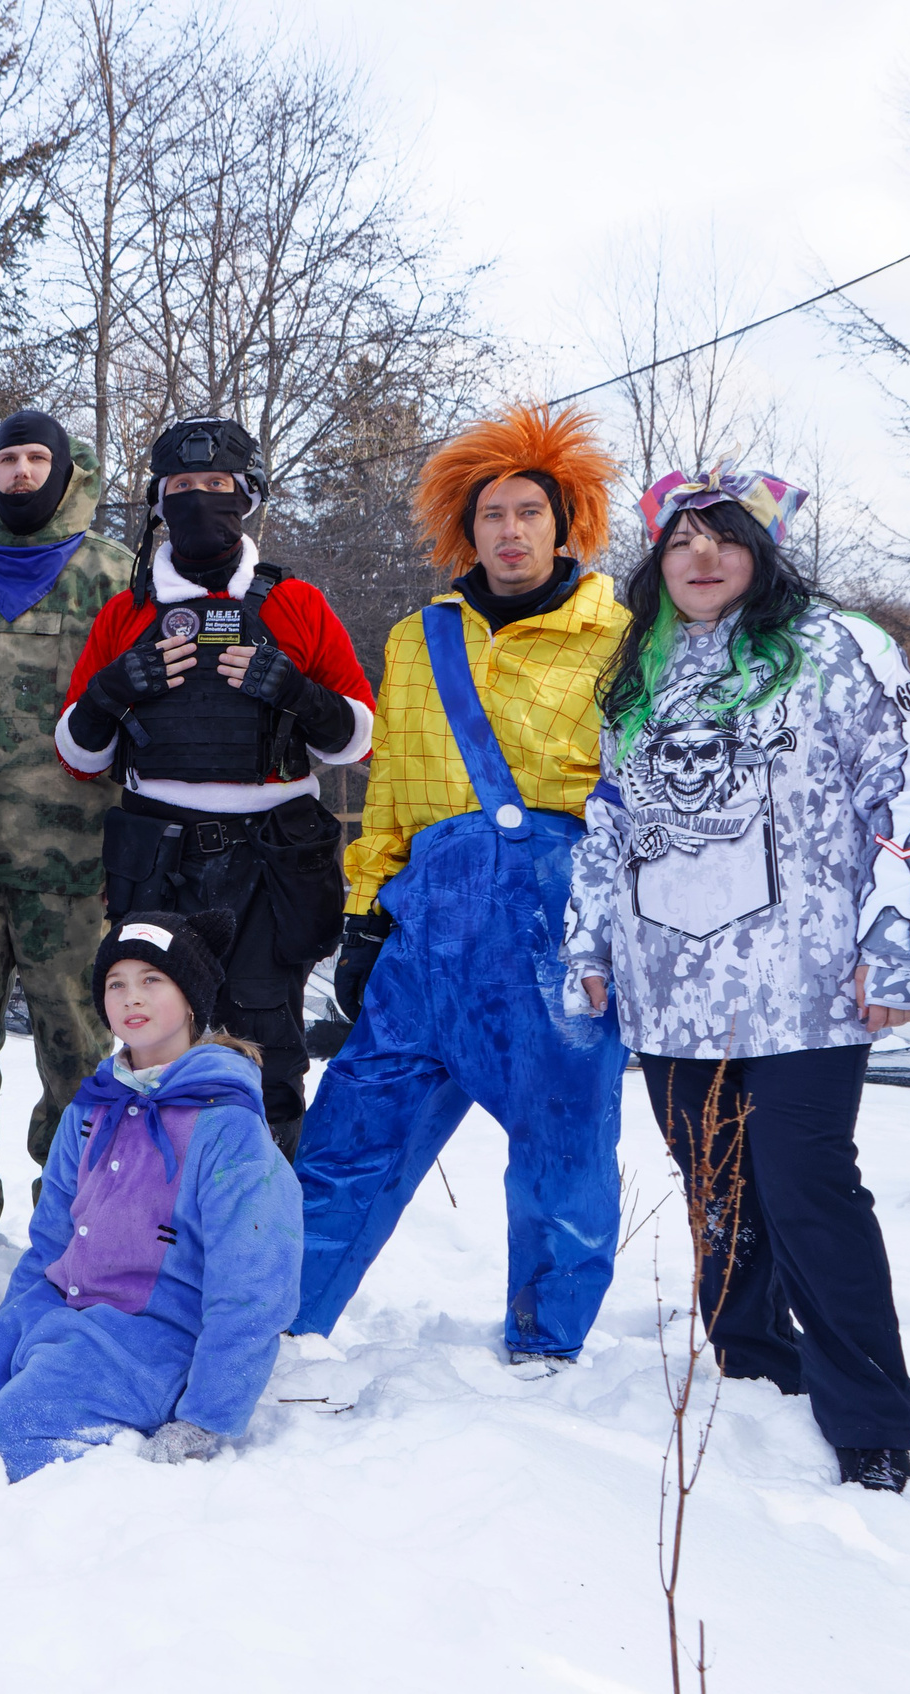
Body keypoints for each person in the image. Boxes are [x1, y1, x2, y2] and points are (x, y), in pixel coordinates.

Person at [564, 466, 910, 1492]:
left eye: (725, 536)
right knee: (715, 1187)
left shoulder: (838, 648)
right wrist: (588, 945)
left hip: (807, 982)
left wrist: (896, 945)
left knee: (804, 1183)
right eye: (681, 539)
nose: (701, 556)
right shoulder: (638, 670)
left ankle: (870, 1418)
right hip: (672, 985)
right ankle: (751, 1369)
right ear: (656, 557)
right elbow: (610, 818)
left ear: (762, 549)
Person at [290, 404, 630, 1372]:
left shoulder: (618, 636)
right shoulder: (414, 638)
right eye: (492, 514)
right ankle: (279, 1326)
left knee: (562, 1146)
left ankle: (544, 1346)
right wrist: (363, 921)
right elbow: (389, 782)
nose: (511, 530)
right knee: (348, 1135)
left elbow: (643, 791)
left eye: (530, 510)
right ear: (463, 527)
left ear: (567, 524)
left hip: (553, 929)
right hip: (424, 928)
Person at [54, 416, 373, 1161]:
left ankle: (261, 1227)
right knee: (156, 1044)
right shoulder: (126, 613)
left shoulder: (297, 605)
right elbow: (77, 755)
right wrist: (110, 692)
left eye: (217, 487)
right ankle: (151, 1221)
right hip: (158, 861)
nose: (199, 500)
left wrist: (295, 692)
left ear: (248, 497)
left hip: (270, 864)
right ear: (158, 503)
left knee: (266, 1053)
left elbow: (357, 737)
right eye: (182, 488)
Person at [0, 910, 300, 1480]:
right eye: (117, 984)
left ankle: (117, 1459)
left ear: (191, 1000)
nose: (131, 998)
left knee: (13, 1441)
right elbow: (50, 1242)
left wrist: (207, 1417)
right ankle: (50, 1376)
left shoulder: (225, 1125)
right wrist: (12, 1332)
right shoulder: (93, 1107)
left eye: (152, 980)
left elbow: (257, 1284)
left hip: (152, 1332)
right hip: (62, 1307)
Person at [0, 409, 130, 1259]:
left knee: (77, 1046)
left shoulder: (113, 574)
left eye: (36, 457)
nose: (19, 472)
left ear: (66, 472)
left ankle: (68, 1205)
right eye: (7, 458)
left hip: (75, 863)